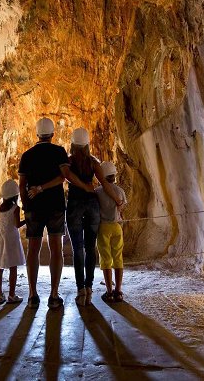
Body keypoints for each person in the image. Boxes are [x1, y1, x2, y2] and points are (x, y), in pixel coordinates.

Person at [18, 117, 94, 310]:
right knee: (56, 249)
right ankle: (53, 295)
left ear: (37, 134)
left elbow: (21, 185)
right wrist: (85, 186)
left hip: (34, 207)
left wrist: (26, 205)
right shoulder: (59, 151)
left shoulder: (26, 155)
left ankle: (33, 295)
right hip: (55, 207)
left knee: (33, 249)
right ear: (52, 134)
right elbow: (64, 177)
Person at [65, 128, 124, 307]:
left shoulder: (68, 162)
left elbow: (66, 176)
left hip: (75, 203)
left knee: (78, 249)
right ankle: (89, 288)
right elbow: (105, 184)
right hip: (92, 206)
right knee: (91, 248)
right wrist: (116, 199)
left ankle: (81, 290)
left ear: (73, 144)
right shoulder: (93, 163)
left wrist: (81, 186)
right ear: (87, 145)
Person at [0, 179, 26, 304]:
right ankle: (12, 295)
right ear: (15, 195)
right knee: (13, 268)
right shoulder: (16, 208)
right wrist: (27, 220)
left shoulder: (0, 208)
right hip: (12, 240)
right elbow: (17, 224)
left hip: (2, 238)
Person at [95, 161, 127, 303]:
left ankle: (109, 292)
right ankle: (118, 291)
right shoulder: (120, 191)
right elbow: (121, 208)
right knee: (118, 257)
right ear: (114, 176)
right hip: (116, 226)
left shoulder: (97, 192)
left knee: (106, 259)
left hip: (103, 227)